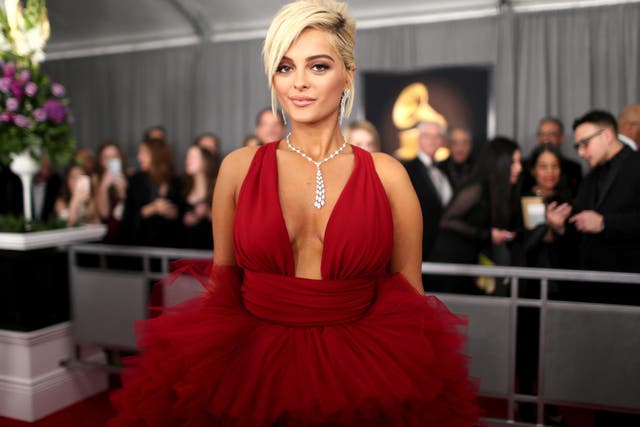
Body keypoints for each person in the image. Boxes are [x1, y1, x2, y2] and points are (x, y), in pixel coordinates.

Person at [109, 1, 478, 425]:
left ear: (347, 74)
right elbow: (224, 281)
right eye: (284, 67)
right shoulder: (238, 167)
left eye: (317, 66)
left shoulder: (389, 175)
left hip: (362, 371)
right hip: (251, 368)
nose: (298, 83)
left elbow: (408, 297)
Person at [547, 110, 640, 279]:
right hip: (592, 282)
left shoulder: (636, 164)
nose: (581, 153)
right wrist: (561, 227)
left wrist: (605, 223)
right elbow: (581, 228)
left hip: (630, 283)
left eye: (585, 144)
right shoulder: (590, 177)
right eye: (578, 147)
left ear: (607, 135)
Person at [428, 137, 523, 294]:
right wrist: (487, 235)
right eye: (513, 162)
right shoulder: (477, 188)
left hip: (468, 265)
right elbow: (447, 221)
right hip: (450, 264)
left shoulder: (498, 190)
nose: (519, 168)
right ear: (500, 163)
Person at [402, 120, 453, 260]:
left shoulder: (447, 169)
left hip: (445, 247)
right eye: (427, 136)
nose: (432, 141)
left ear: (442, 141)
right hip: (419, 247)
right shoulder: (406, 169)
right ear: (419, 139)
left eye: (437, 136)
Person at [118, 138, 182, 247]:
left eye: (143, 153)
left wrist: (174, 213)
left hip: (169, 247)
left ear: (156, 155)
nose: (139, 157)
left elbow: (182, 215)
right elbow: (128, 219)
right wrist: (153, 208)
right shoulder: (136, 180)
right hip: (141, 247)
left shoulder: (175, 181)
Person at [523, 117, 582, 198]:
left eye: (551, 134)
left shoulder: (573, 168)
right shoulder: (522, 167)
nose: (546, 138)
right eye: (542, 134)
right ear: (533, 170)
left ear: (561, 138)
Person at [179, 144, 215, 249]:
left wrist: (208, 214)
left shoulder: (217, 188)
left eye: (193, 157)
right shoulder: (183, 188)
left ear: (205, 161)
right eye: (187, 157)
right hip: (186, 249)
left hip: (210, 250)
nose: (188, 160)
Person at [94, 141, 128, 243]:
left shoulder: (129, 178)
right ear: (100, 162)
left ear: (121, 159)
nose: (111, 161)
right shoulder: (96, 180)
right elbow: (104, 214)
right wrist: (104, 186)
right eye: (106, 158)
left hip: (127, 236)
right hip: (108, 239)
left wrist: (124, 193)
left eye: (115, 157)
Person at [440, 125, 474, 190]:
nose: (460, 149)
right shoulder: (439, 168)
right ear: (449, 145)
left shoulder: (478, 170)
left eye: (464, 143)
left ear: (470, 145)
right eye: (455, 143)